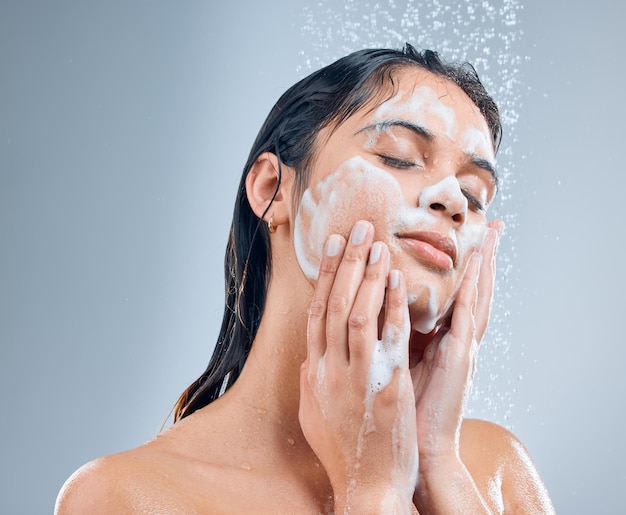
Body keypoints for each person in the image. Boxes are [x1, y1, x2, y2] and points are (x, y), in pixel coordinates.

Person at [55, 44, 555, 514]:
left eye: (475, 194)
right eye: (399, 156)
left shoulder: (493, 470)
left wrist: (435, 459)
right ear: (272, 188)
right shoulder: (127, 497)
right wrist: (373, 489)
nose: (453, 201)